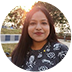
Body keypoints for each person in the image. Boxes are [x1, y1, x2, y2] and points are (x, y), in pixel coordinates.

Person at [10, 6, 72, 72]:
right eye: (33, 23)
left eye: (44, 23)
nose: (38, 27)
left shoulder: (61, 51)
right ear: (26, 27)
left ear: (50, 26)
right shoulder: (18, 53)